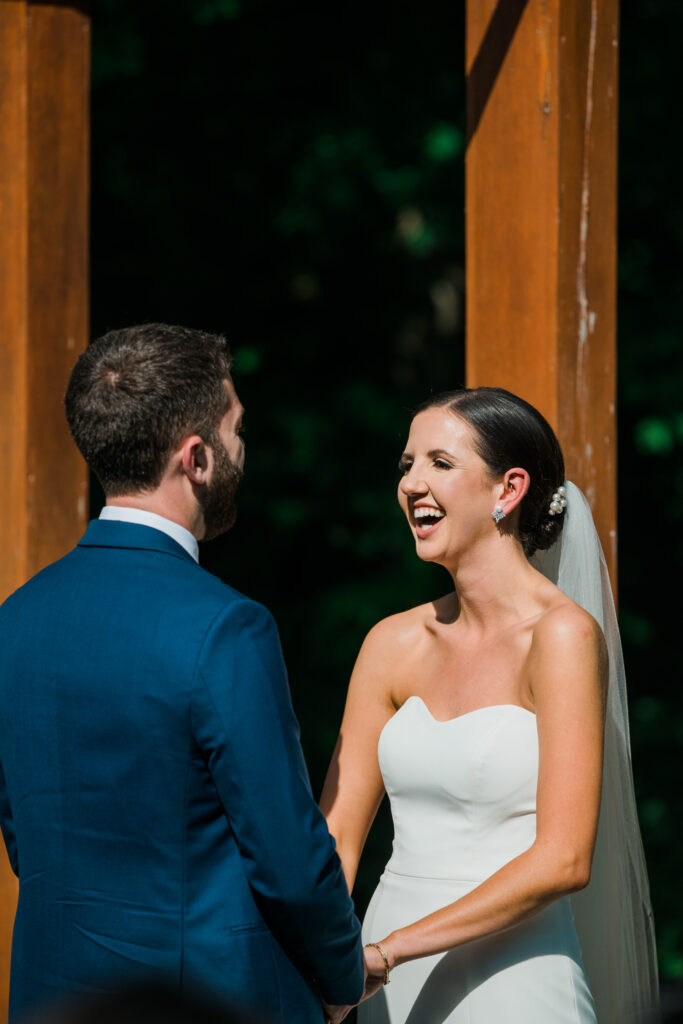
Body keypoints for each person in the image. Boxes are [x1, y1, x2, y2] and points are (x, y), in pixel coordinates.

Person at [0, 324, 364, 1024]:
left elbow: (27, 834)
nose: (242, 450)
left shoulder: (14, 620)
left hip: (52, 994)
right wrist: (343, 980)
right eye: (236, 430)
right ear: (196, 457)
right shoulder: (226, 626)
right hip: (209, 998)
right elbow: (287, 857)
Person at [321, 387, 658, 1024]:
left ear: (508, 490)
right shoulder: (390, 643)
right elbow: (336, 833)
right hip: (380, 984)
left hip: (513, 978)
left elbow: (564, 858)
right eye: (407, 464)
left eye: (439, 464)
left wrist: (390, 952)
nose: (412, 484)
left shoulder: (563, 638)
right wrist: (321, 957)